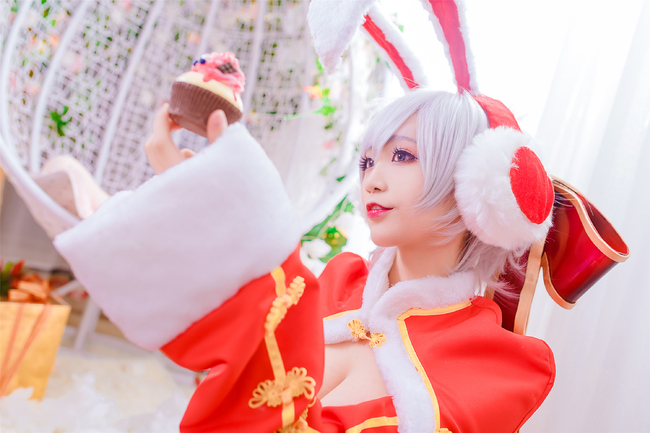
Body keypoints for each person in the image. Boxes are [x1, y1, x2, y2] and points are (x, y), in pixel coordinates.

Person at [54, 89, 555, 433]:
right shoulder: (343, 283)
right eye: (368, 161)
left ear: (472, 186)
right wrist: (193, 205)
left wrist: (211, 208)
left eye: (403, 156)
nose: (373, 179)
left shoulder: (493, 363)